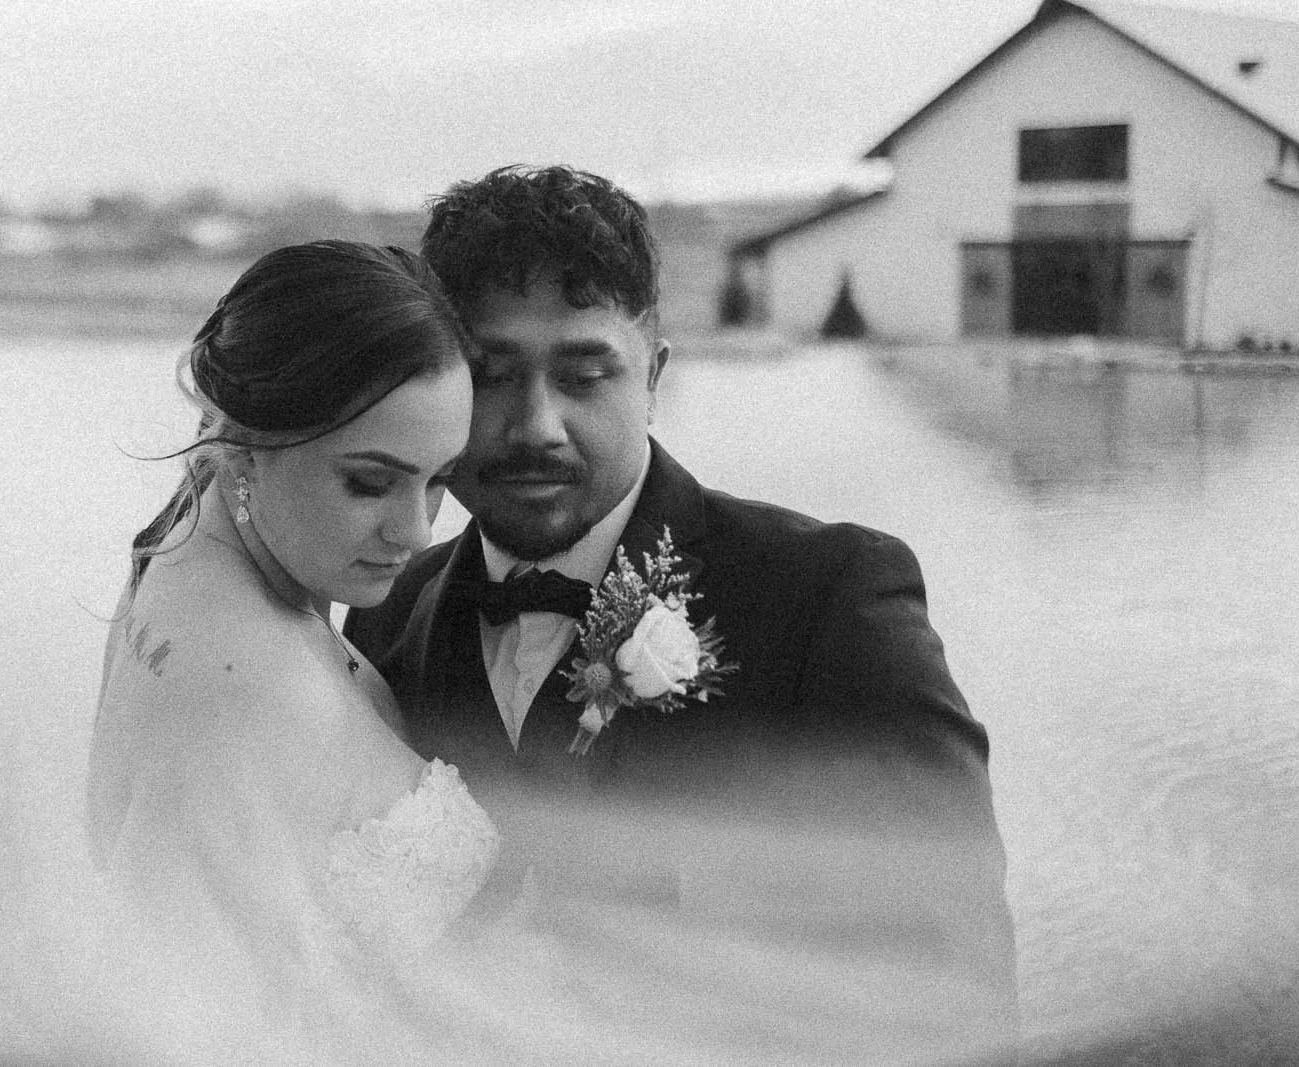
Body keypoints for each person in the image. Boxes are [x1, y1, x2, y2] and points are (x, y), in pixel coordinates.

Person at [343, 165, 1018, 1032]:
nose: (536, 424)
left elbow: (957, 981)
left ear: (654, 377)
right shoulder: (384, 609)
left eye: (585, 375)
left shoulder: (829, 597)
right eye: (491, 374)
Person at [85, 240, 501, 981]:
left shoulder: (189, 540)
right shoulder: (248, 685)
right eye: (370, 483)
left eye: (439, 479)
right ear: (247, 449)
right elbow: (181, 1005)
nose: (417, 532)